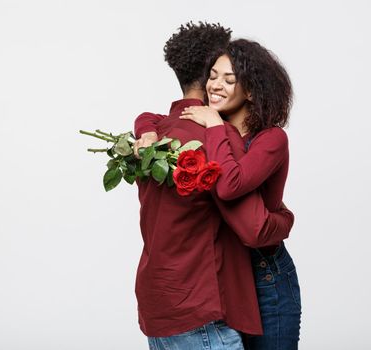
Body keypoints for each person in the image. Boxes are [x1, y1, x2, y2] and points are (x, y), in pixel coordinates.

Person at [132, 22, 295, 350]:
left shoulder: (168, 133)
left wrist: (150, 128)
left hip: (250, 275)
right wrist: (284, 219)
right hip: (206, 298)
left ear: (249, 88)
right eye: (214, 76)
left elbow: (236, 195)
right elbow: (253, 224)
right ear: (204, 75)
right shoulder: (206, 134)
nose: (218, 85)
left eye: (229, 78)